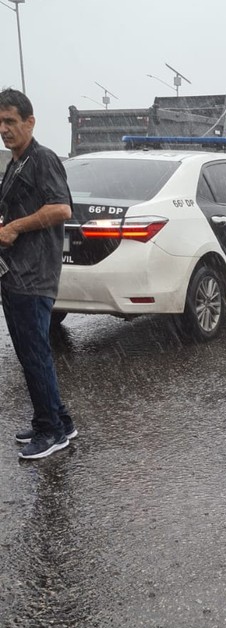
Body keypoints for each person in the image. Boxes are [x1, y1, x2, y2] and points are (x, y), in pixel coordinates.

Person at [0, 88, 77, 460]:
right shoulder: (17, 161)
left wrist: (15, 227)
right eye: (0, 122)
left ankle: (51, 432)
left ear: (30, 122)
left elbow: (62, 208)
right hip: (15, 273)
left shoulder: (42, 159)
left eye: (11, 121)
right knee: (34, 353)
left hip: (33, 275)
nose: (4, 129)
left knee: (34, 355)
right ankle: (58, 418)